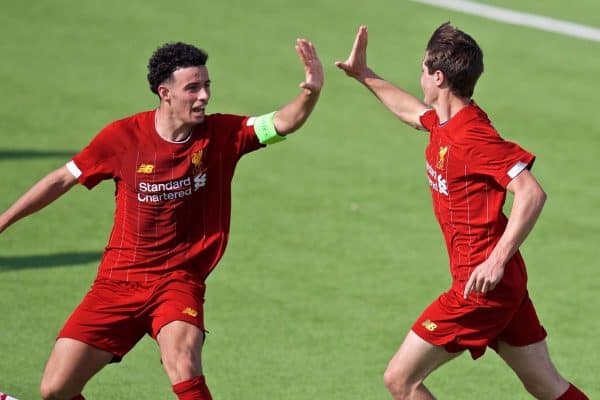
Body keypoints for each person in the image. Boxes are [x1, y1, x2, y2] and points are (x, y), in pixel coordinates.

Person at [0, 39, 323, 400]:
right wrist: (3, 221)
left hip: (177, 280)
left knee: (182, 362)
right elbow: (62, 179)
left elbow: (283, 122)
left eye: (207, 85)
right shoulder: (122, 138)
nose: (204, 96)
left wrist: (310, 93)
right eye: (193, 88)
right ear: (165, 93)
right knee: (55, 389)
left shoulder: (223, 134)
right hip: (118, 280)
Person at [336, 23, 587, 400]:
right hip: (503, 285)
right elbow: (411, 111)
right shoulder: (446, 122)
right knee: (545, 384)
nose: (419, 74)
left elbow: (531, 193)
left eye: (422, 69)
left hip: (480, 287)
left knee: (400, 380)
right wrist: (363, 75)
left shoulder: (473, 137)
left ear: (438, 77)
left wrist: (495, 261)